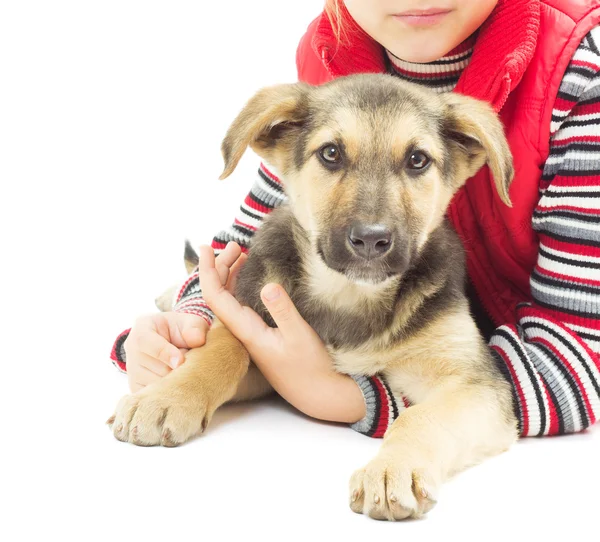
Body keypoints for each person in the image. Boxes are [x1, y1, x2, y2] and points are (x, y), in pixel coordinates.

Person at [110, 0, 600, 438]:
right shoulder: (332, 54)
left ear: (474, 154)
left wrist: (343, 398)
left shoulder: (579, 69)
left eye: (416, 162)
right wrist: (186, 330)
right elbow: (242, 247)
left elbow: (581, 365)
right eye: (331, 155)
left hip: (504, 341)